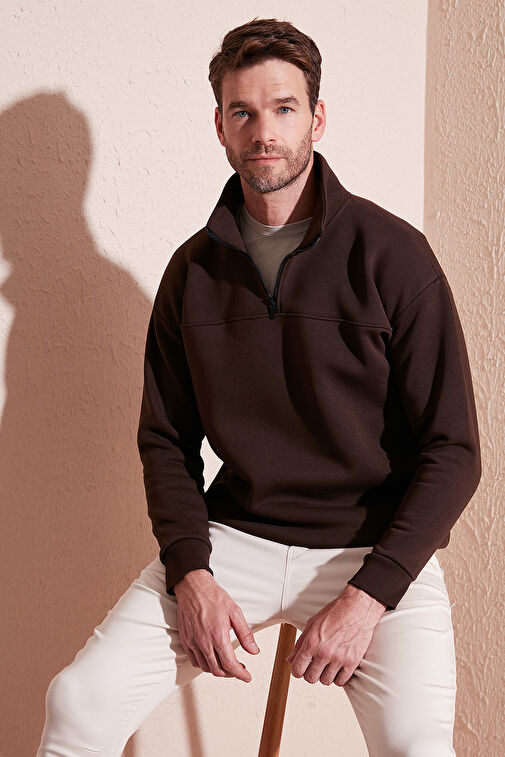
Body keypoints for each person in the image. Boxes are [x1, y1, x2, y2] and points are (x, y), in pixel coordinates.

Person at [36, 17, 481, 757]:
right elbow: (165, 441)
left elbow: (454, 450)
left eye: (283, 107)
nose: (263, 132)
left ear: (317, 117)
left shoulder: (394, 256)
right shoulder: (191, 273)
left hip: (370, 545)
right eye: (242, 112)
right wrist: (191, 573)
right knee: (77, 703)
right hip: (236, 539)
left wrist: (370, 596)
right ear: (219, 126)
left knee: (417, 745)